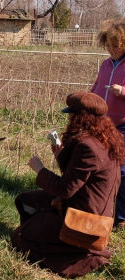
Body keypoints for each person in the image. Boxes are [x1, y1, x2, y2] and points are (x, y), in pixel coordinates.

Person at [11, 91, 125, 278]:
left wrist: (40, 170)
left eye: (71, 115)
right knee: (24, 200)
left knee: (20, 238)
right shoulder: (104, 140)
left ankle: (80, 254)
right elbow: (77, 173)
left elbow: (64, 189)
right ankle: (47, 229)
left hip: (84, 218)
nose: (69, 119)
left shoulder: (87, 146)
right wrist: (59, 152)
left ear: (81, 118)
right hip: (84, 204)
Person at [91, 18, 125, 230]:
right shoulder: (105, 64)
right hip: (101, 124)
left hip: (122, 125)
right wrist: (87, 99)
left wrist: (122, 91)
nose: (111, 50)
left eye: (116, 46)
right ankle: (98, 208)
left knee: (122, 170)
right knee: (97, 165)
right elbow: (96, 86)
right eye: (109, 46)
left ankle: (121, 216)